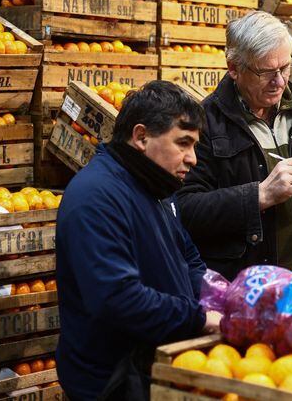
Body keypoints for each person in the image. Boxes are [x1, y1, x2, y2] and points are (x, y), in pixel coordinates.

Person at [55, 81, 221, 401]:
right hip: (111, 383)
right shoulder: (96, 197)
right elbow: (118, 299)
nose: (193, 159)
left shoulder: (157, 186)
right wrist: (199, 319)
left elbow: (187, 258)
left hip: (149, 371)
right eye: (183, 143)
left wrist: (223, 297)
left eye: (195, 146)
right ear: (142, 137)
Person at [177, 11, 292, 280]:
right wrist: (259, 195)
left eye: (285, 68)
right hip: (247, 289)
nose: (279, 81)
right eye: (265, 72)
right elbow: (185, 210)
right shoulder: (204, 124)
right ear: (234, 68)